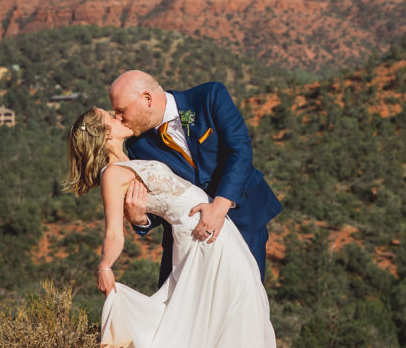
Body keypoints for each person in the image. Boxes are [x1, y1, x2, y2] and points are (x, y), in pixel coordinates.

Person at [63, 107, 286, 348]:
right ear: (103, 134)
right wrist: (105, 265)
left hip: (216, 234)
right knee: (236, 312)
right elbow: (114, 232)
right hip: (199, 243)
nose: (118, 116)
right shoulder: (112, 175)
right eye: (110, 116)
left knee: (247, 308)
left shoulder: (135, 153)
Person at [108, 71, 282, 286]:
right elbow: (163, 201)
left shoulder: (210, 96)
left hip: (243, 220)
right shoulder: (137, 146)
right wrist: (141, 220)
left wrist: (220, 206)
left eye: (121, 110)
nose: (117, 118)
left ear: (147, 98)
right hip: (188, 240)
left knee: (242, 304)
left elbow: (240, 150)